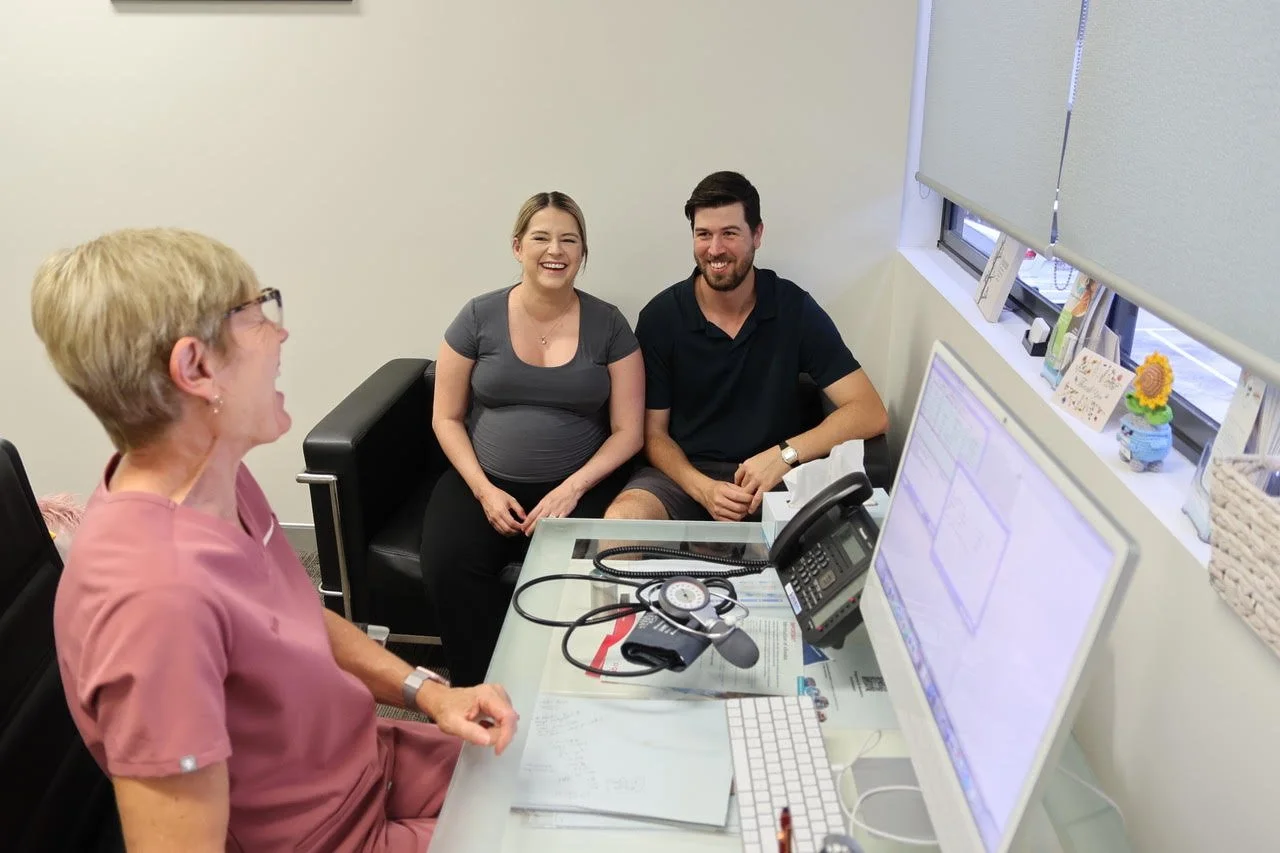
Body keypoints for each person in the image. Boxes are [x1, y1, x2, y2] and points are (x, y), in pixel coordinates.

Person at [31, 228, 518, 853]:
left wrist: (429, 693)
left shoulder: (215, 479)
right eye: (255, 313)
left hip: (372, 765)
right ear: (195, 367)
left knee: (566, 777)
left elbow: (292, 618)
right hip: (331, 838)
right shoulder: (156, 600)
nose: (279, 332)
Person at [421, 191, 644, 687]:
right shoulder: (478, 316)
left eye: (569, 239)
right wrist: (483, 490)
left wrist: (572, 489)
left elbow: (630, 431)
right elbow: (446, 417)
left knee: (590, 577)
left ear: (582, 253)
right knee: (449, 565)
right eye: (541, 237)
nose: (555, 250)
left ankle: (570, 691)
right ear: (518, 246)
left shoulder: (609, 324)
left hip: (581, 487)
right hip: (483, 481)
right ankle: (474, 694)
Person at [606, 171, 888, 523]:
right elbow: (653, 433)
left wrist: (785, 455)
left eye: (730, 234)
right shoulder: (662, 318)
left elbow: (870, 411)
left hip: (776, 477)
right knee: (623, 519)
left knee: (831, 543)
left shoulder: (793, 308)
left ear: (757, 234)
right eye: (703, 235)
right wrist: (702, 488)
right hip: (683, 477)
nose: (715, 249)